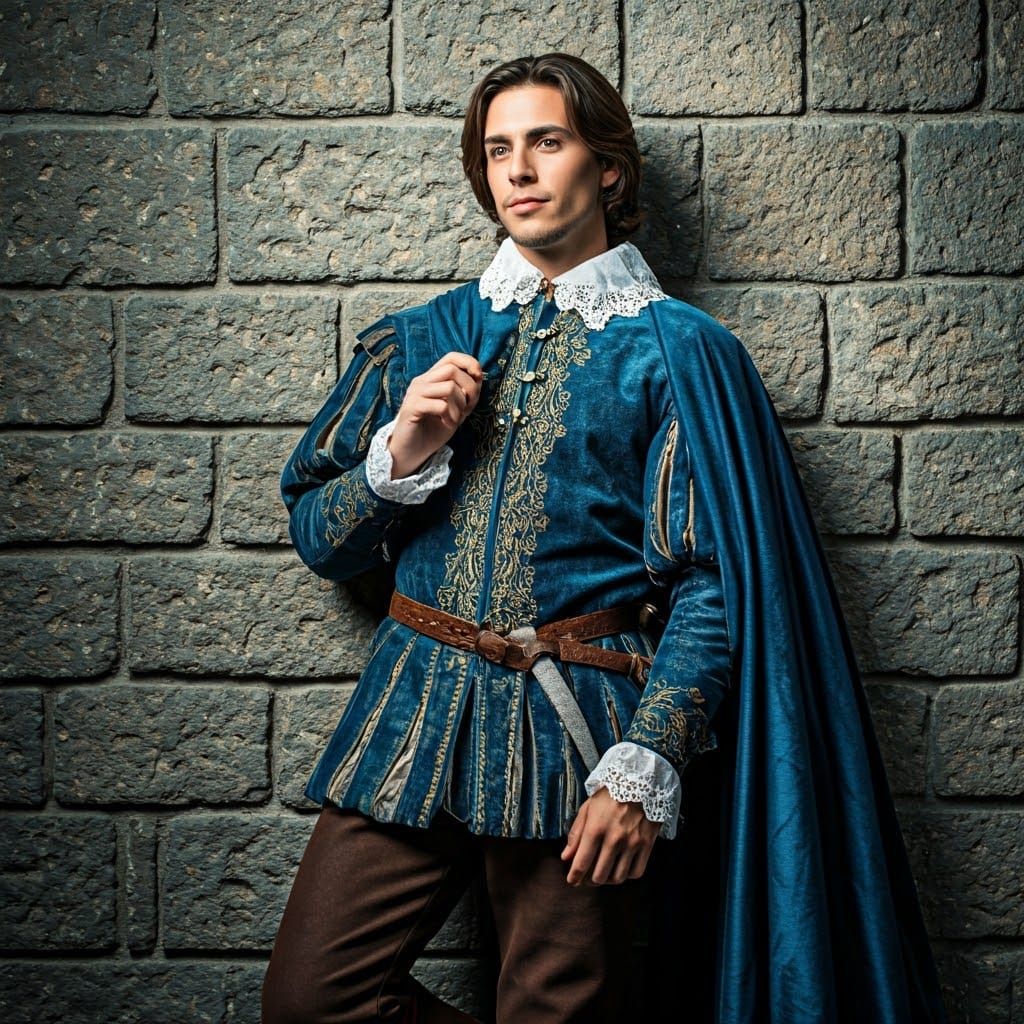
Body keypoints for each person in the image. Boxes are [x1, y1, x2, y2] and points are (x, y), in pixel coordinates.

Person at [262, 53, 949, 1024]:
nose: (519, 170)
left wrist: (647, 761)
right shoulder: (414, 341)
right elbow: (320, 538)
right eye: (498, 149)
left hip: (579, 734)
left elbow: (711, 583)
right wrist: (401, 454)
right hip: (409, 716)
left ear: (608, 170)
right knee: (308, 1001)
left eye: (546, 141)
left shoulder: (678, 352)